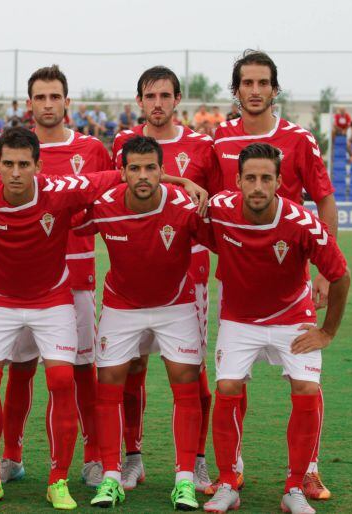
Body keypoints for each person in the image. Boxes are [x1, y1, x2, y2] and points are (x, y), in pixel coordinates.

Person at [0, 127, 123, 509]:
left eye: (23, 164)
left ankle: (57, 480)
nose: (15, 172)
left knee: (62, 378)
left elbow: (122, 174)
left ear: (38, 166)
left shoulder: (60, 190)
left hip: (52, 299)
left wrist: (179, 180)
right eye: (8, 164)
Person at [212, 50, 339, 500]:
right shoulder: (220, 140)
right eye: (247, 83)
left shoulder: (299, 139)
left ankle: (308, 470)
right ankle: (234, 467)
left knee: (306, 382)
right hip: (239, 281)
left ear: (274, 89)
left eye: (263, 83)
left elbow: (323, 199)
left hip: (290, 281)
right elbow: (211, 204)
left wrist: (324, 272)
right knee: (232, 377)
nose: (255, 90)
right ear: (236, 90)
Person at [202, 143, 350, 514]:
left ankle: (294, 488)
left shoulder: (302, 223)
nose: (257, 186)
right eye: (249, 178)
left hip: (291, 317)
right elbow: (184, 216)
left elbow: (340, 275)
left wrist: (327, 331)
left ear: (279, 182)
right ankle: (227, 481)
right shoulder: (219, 209)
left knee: (306, 388)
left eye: (266, 178)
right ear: (236, 181)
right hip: (240, 318)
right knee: (226, 388)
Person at [74, 136, 211, 510]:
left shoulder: (185, 206)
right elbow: (63, 220)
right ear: (122, 172)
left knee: (185, 383)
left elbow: (223, 237)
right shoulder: (104, 207)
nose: (143, 175)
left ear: (163, 171)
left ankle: (184, 480)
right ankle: (112, 478)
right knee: (109, 386)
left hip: (176, 304)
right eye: (134, 168)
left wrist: (188, 187)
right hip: (122, 306)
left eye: (151, 167)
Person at [0, 64, 113, 488]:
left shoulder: (92, 149)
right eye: (40, 97)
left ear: (67, 102)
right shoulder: (14, 153)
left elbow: (107, 207)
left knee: (81, 370)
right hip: (22, 280)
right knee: (21, 367)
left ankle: (93, 456)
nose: (48, 104)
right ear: (29, 104)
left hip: (76, 278)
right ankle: (11, 455)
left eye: (55, 97)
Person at [112, 65, 220, 493]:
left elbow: (211, 201)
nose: (157, 103)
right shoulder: (123, 143)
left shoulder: (201, 145)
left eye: (165, 96)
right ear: (139, 101)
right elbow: (116, 190)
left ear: (178, 101)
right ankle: (132, 458)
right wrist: (176, 178)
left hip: (188, 274)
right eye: (149, 96)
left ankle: (195, 460)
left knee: (192, 373)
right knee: (132, 368)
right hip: (134, 272)